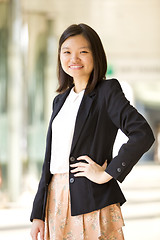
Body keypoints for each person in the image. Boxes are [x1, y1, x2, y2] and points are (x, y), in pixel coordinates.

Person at [30, 23, 155, 240]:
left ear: (96, 55)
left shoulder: (107, 92)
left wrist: (107, 173)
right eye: (67, 52)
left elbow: (142, 133)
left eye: (83, 52)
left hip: (91, 200)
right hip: (55, 200)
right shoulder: (59, 101)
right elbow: (50, 159)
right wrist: (37, 214)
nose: (74, 59)